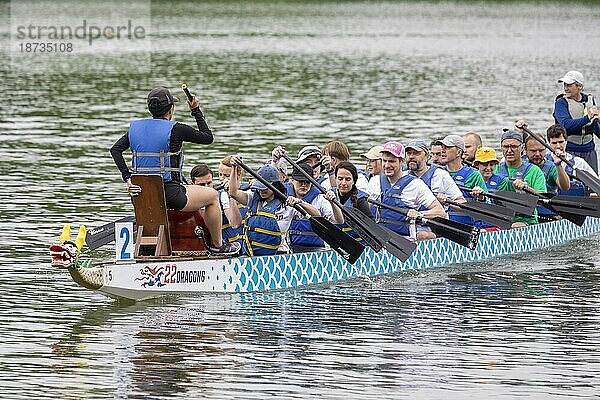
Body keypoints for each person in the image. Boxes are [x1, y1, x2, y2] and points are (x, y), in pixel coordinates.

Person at [110, 86, 240, 256]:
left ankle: (152, 249)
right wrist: (195, 110)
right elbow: (208, 137)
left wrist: (128, 180)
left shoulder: (135, 130)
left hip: (141, 197)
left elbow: (115, 150)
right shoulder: (176, 129)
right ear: (171, 109)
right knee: (212, 196)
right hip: (171, 195)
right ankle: (217, 245)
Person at [228, 160, 319, 256]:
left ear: (275, 185)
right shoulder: (252, 198)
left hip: (279, 255)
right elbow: (233, 193)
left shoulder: (287, 205)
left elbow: (316, 214)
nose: (261, 191)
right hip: (252, 254)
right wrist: (234, 167)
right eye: (259, 187)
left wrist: (299, 202)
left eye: (265, 188)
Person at [367, 141, 446, 240]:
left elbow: (440, 212)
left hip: (405, 240)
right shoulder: (374, 181)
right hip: (378, 238)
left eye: (391, 161)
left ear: (402, 161)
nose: (387, 165)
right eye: (384, 161)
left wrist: (420, 214)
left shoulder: (415, 185)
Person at [405, 140, 465, 237]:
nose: (411, 156)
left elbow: (462, 203)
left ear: (427, 157)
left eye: (416, 153)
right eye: (409, 153)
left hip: (435, 228)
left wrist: (447, 201)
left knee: (423, 235)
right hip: (408, 226)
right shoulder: (403, 176)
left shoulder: (440, 175)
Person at [285, 163, 344, 253]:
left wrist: (333, 203)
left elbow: (339, 221)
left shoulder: (320, 198)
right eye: (301, 181)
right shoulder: (284, 195)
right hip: (291, 248)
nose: (304, 185)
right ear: (292, 180)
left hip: (317, 249)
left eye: (307, 182)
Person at [496, 129, 547, 227]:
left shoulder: (534, 171)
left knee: (516, 226)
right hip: (501, 218)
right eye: (506, 146)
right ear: (501, 148)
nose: (509, 150)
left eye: (514, 146)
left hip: (525, 220)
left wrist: (526, 188)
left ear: (522, 148)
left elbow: (543, 199)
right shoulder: (495, 169)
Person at [434, 134, 487, 226]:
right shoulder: (436, 173)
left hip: (465, 227)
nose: (442, 151)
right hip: (441, 226)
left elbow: (486, 206)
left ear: (458, 152)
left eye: (447, 147)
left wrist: (481, 197)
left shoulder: (473, 174)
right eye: (442, 147)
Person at [553, 70, 600, 172]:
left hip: (589, 151)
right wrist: (587, 117)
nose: (566, 88)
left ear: (580, 87)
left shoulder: (590, 101)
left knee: (593, 185)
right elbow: (565, 125)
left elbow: (594, 127)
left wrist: (596, 119)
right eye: (565, 85)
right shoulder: (561, 103)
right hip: (569, 151)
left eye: (569, 85)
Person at [324, 161, 372, 244]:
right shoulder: (329, 195)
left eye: (348, 179)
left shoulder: (360, 200)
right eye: (340, 178)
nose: (343, 183)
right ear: (335, 179)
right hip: (335, 244)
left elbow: (371, 227)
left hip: (357, 245)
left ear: (354, 181)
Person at [546, 123, 599, 196]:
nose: (558, 146)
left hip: (575, 203)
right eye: (554, 143)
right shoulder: (544, 161)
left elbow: (596, 183)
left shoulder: (579, 163)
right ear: (549, 143)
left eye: (561, 142)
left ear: (566, 141)